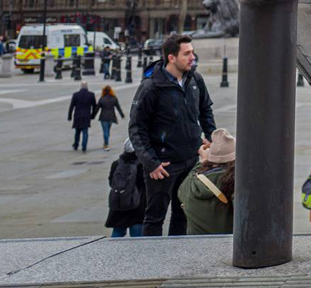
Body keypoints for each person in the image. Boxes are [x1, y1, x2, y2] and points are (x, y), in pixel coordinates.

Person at [129, 34, 216, 237]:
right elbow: (136, 128)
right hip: (163, 165)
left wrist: (210, 136)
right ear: (171, 57)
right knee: (155, 217)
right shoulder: (151, 88)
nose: (192, 57)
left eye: (192, 52)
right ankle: (154, 261)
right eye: (187, 53)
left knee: (183, 213)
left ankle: (177, 255)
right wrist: (151, 163)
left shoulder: (195, 79)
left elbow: (205, 109)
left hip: (190, 160)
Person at [180, 128, 236, 235]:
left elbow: (182, 189)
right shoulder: (235, 184)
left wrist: (202, 162)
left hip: (196, 246)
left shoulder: (191, 183)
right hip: (226, 245)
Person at [106, 139, 146, 238]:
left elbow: (111, 182)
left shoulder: (116, 164)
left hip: (119, 203)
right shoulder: (142, 165)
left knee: (117, 232)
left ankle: (111, 252)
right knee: (137, 236)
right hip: (137, 205)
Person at [93, 84, 125, 151]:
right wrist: (122, 115)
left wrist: (92, 116)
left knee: (105, 131)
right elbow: (118, 107)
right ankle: (105, 143)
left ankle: (106, 144)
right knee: (108, 131)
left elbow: (97, 108)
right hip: (111, 117)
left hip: (103, 117)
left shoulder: (102, 99)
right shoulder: (114, 98)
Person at [68, 81, 98, 151]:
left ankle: (76, 144)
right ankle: (84, 146)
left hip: (77, 115)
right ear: (87, 86)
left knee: (77, 131)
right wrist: (93, 115)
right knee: (85, 131)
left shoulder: (76, 95)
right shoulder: (91, 95)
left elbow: (71, 106)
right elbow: (94, 106)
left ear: (81, 87)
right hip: (86, 115)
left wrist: (69, 116)